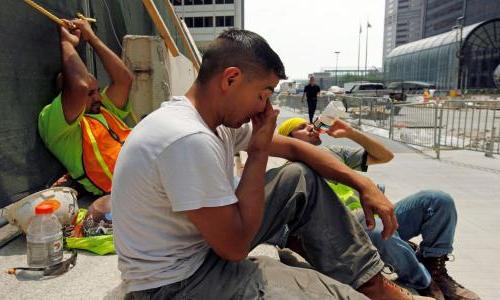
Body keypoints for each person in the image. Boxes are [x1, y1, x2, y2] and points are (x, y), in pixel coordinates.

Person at [112, 29, 432, 300]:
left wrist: (362, 183)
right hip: (174, 286)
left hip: (199, 252)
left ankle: (373, 283)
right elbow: (235, 249)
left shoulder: (212, 120)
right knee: (336, 296)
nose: (265, 106)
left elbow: (297, 149)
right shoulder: (187, 138)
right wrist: (259, 151)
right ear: (231, 79)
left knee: (298, 178)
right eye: (263, 94)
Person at [278, 117, 481, 300]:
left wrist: (351, 133)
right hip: (348, 232)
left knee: (437, 200)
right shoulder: (291, 174)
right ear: (288, 140)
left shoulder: (334, 154)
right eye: (301, 128)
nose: (311, 128)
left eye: (309, 124)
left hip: (375, 217)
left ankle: (434, 265)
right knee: (373, 229)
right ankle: (425, 283)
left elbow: (385, 156)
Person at [38, 19, 133, 196]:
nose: (98, 97)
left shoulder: (103, 109)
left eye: (97, 90)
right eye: (91, 93)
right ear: (66, 94)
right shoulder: (57, 124)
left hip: (152, 170)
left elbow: (124, 80)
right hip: (125, 191)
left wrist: (92, 38)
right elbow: (79, 86)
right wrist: (67, 44)